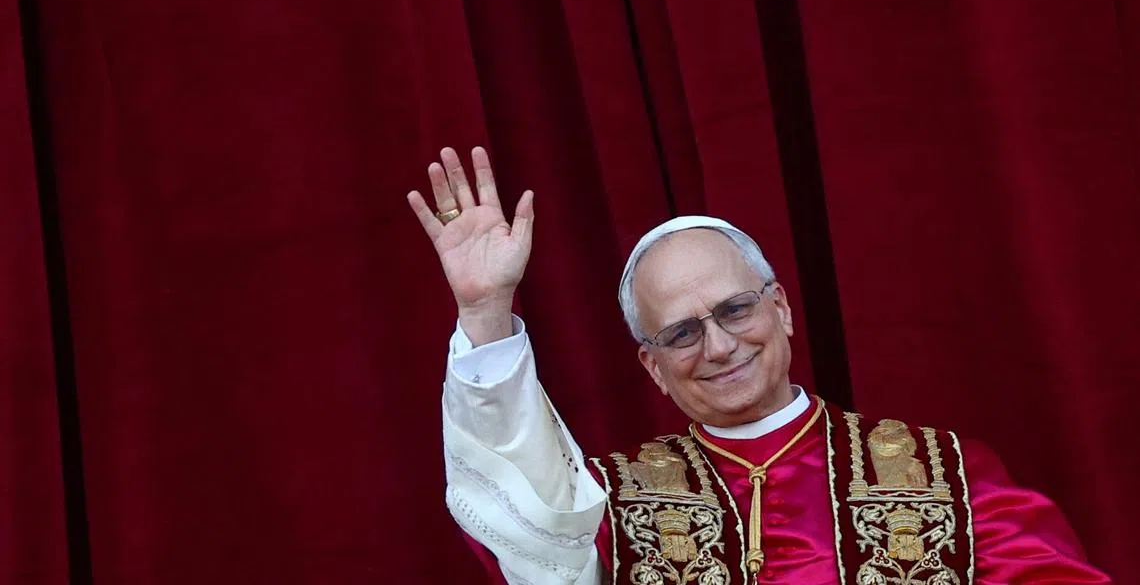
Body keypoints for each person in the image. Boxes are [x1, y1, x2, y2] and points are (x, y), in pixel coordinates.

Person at [408, 147, 1111, 584]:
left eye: (735, 310)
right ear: (651, 367)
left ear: (781, 309)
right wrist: (486, 312)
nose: (718, 347)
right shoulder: (607, 506)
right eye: (682, 332)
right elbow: (523, 527)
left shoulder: (945, 473)